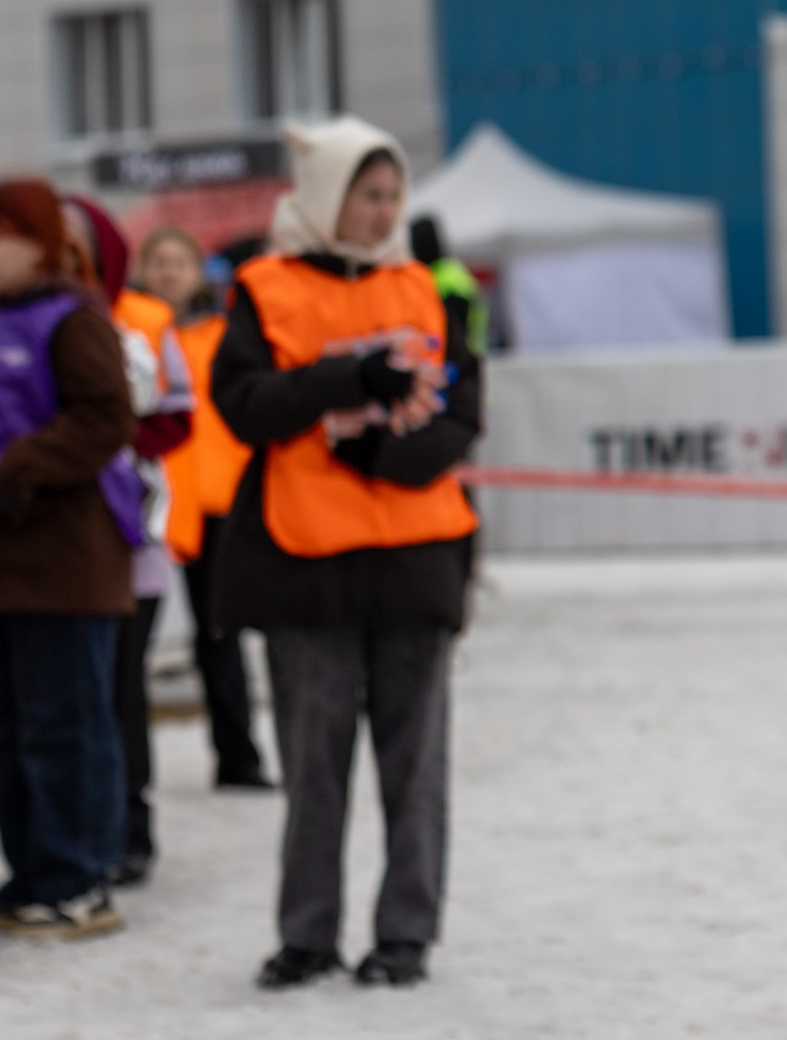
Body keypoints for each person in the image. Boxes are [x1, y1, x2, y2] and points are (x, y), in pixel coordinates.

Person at [211, 117, 481, 990]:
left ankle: (405, 933)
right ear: (326, 196)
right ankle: (308, 932)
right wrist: (348, 380)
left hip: (414, 554)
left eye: (392, 193)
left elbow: (463, 414)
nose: (382, 209)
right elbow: (245, 406)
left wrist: (381, 456)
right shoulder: (266, 287)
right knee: (314, 761)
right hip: (306, 558)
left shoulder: (433, 288)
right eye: (367, 193)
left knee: (416, 763)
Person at [0, 178, 139, 938]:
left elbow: (108, 417)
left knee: (64, 721)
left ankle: (79, 876)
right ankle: (31, 873)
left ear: (42, 241)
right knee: (10, 727)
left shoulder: (74, 320)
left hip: (64, 559)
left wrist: (23, 466)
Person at [65, 199, 194, 887]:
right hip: (62, 537)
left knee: (119, 688)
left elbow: (180, 417)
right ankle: (79, 828)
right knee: (71, 692)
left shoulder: (145, 323)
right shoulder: (33, 323)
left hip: (129, 533)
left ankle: (130, 828)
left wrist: (109, 438)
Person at [137, 226, 270, 791]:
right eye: (158, 261)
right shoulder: (135, 333)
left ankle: (237, 756)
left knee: (220, 632)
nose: (169, 272)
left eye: (179, 261)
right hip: (153, 503)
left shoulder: (221, 336)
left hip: (216, 503)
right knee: (132, 640)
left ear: (198, 271)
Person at [409, 214, 488, 355]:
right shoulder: (452, 270)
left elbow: (455, 328)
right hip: (467, 354)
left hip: (460, 359)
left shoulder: (441, 276)